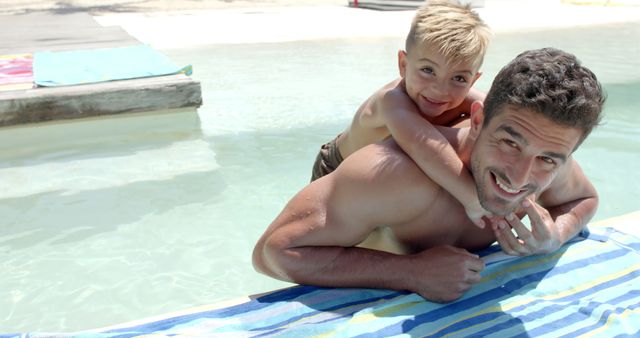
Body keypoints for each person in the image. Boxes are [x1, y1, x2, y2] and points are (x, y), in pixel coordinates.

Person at [254, 48, 605, 303]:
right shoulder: (396, 176)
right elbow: (273, 253)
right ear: (478, 120)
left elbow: (584, 198)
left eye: (547, 158)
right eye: (509, 143)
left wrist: (555, 236)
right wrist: (410, 273)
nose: (519, 176)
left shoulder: (546, 158)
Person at [310, 0, 493, 227]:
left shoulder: (462, 96)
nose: (440, 89)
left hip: (386, 175)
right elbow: (423, 145)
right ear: (404, 65)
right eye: (427, 70)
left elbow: (505, 115)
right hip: (335, 168)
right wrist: (474, 200)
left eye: (459, 78)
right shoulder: (391, 101)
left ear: (474, 79)